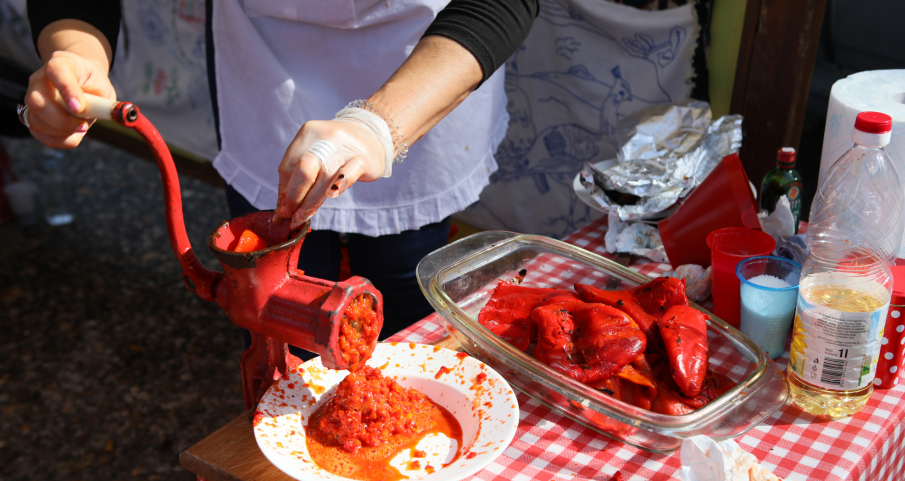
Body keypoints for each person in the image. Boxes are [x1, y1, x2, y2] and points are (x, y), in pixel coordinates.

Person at [22, 0, 539, 342]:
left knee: (407, 281)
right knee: (269, 298)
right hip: (262, 57)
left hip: (428, 56)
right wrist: (76, 53)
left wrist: (379, 126)